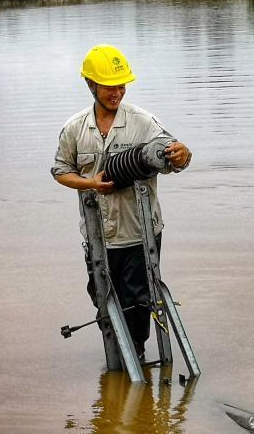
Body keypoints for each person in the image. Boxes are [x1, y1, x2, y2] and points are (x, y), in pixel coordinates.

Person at [51, 45, 192, 359]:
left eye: (121, 85)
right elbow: (61, 171)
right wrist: (90, 184)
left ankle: (135, 357)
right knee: (102, 298)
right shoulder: (74, 129)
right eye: (109, 86)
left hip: (139, 232)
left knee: (139, 301)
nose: (117, 92)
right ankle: (118, 357)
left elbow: (174, 155)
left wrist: (182, 154)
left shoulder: (143, 123)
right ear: (91, 85)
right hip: (98, 235)